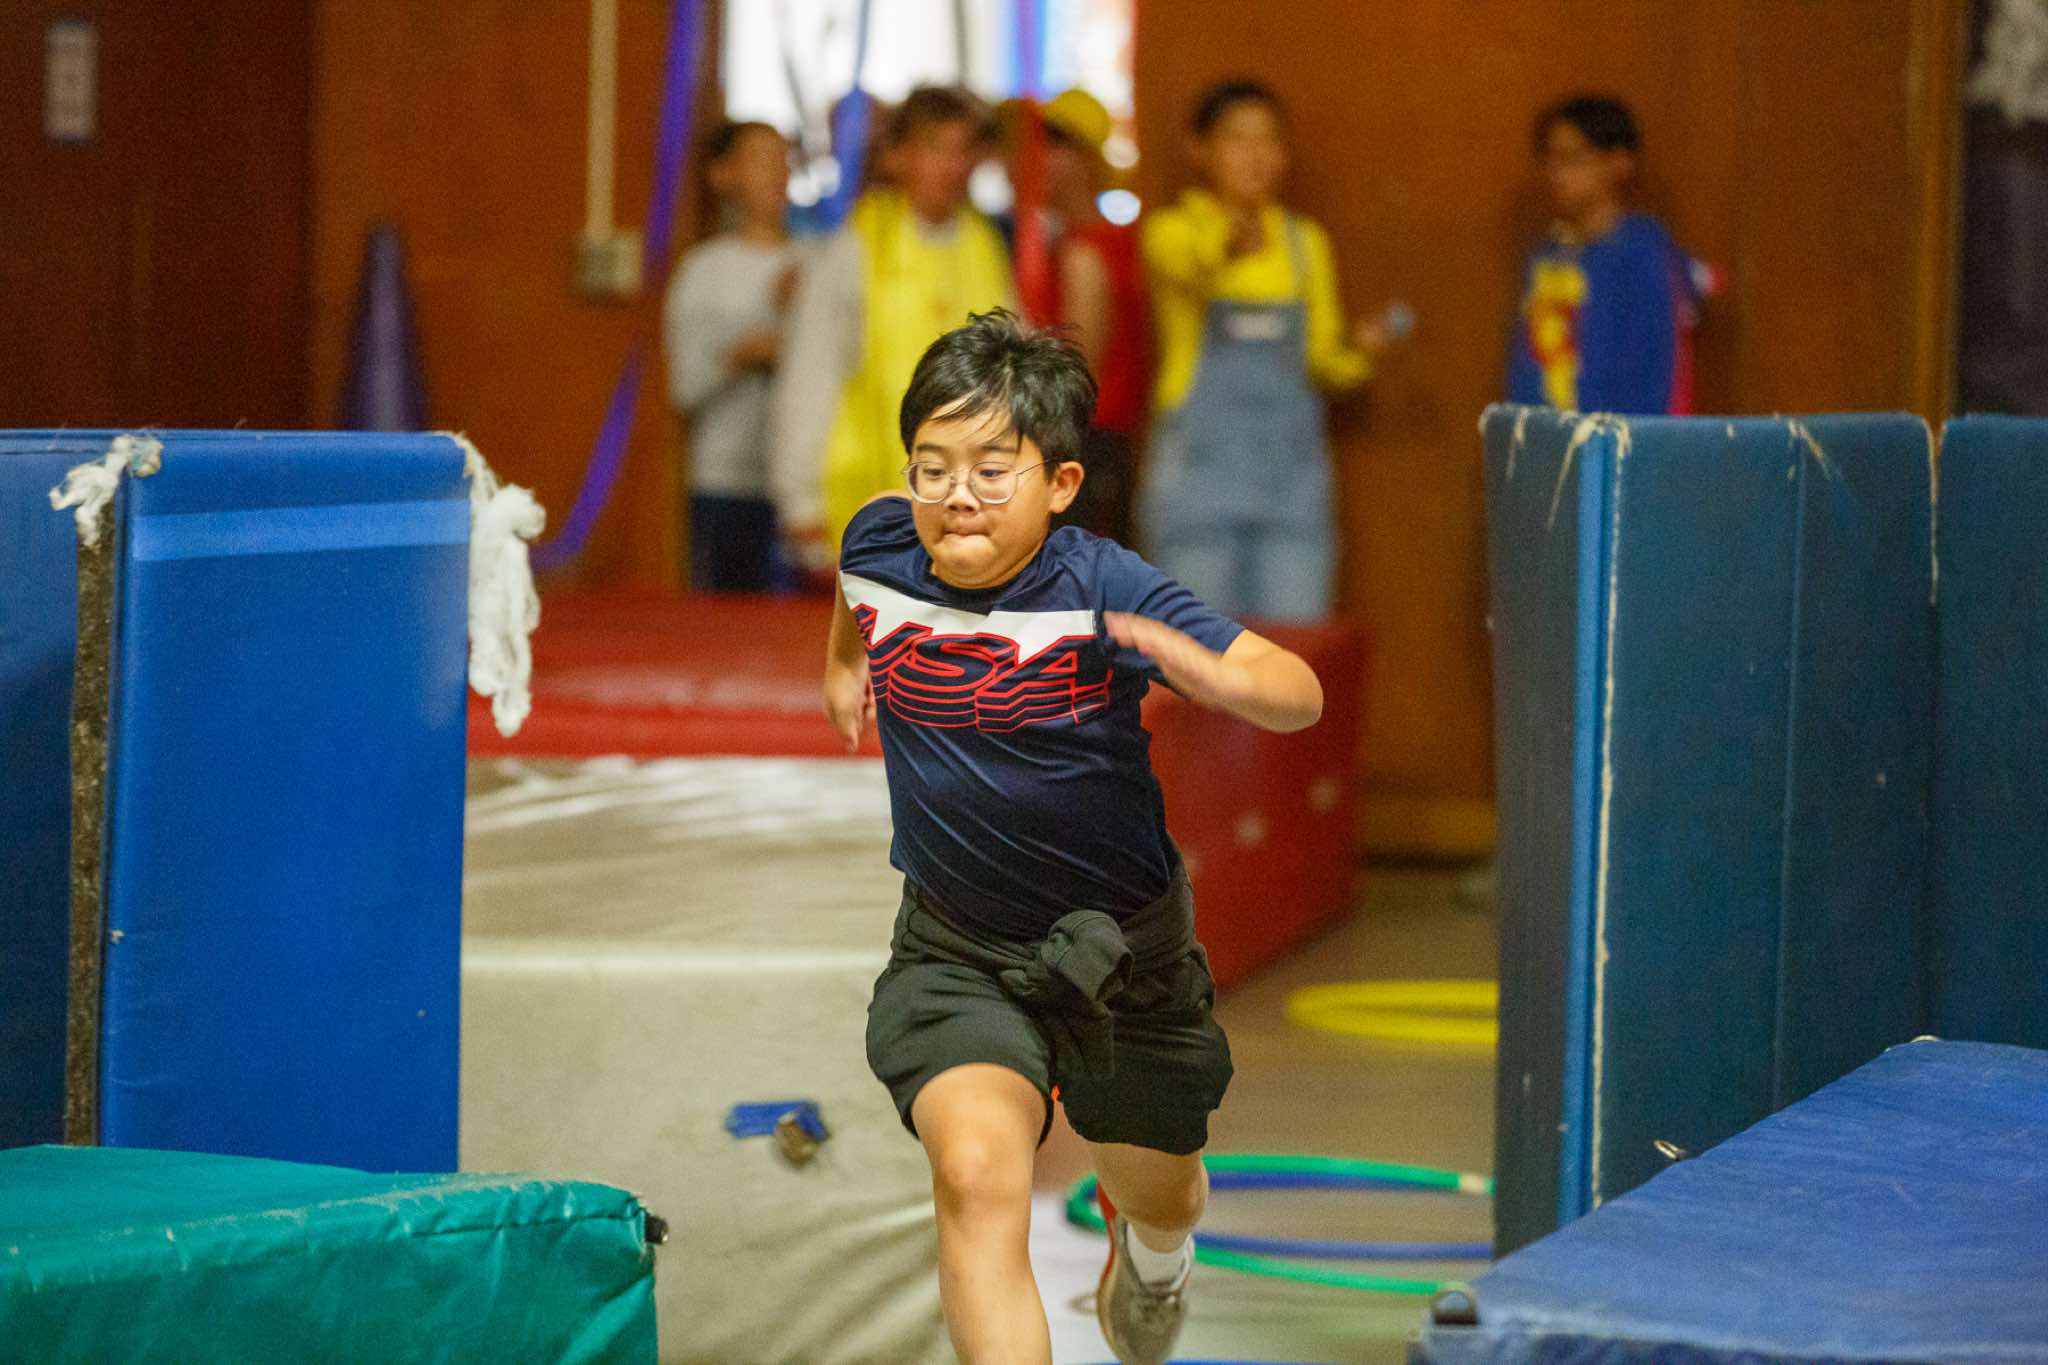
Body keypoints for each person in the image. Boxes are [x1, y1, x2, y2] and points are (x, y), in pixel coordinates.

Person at [823, 309, 1324, 1365]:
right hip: (958, 949)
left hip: (1121, 955)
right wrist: (842, 665)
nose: (956, 495)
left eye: (991, 471)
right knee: (974, 1175)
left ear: (1058, 484)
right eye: (932, 468)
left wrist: (1212, 673)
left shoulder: (1103, 586)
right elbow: (857, 568)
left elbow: (1296, 691)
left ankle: (1153, 1255)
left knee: (1160, 1190)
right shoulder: (880, 543)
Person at [1138, 78, 1390, 621]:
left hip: (1289, 489)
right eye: (1237, 138)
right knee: (1196, 651)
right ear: (1200, 150)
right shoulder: (1172, 231)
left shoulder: (1304, 244)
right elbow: (1191, 268)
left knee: (1290, 652)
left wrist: (1362, 352)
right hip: (1198, 488)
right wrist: (1228, 241)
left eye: (1269, 140)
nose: (1256, 155)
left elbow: (1323, 364)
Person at [772, 86, 1014, 579]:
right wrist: (800, 501)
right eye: (935, 147)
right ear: (896, 157)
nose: (952, 166)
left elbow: (1012, 384)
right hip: (871, 499)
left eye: (964, 149)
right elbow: (811, 374)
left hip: (969, 513)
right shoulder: (855, 248)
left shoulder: (983, 247)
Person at [663, 120, 801, 591]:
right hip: (723, 482)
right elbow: (683, 387)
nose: (777, 172)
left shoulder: (817, 262)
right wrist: (744, 355)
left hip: (797, 483)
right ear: (723, 174)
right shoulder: (704, 269)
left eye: (784, 158)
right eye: (761, 158)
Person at [1508, 95, 1702, 415]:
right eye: (1550, 159)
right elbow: (1528, 363)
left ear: (1619, 162)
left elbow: (1655, 374)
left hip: (1615, 436)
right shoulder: (1546, 257)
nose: (1557, 173)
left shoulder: (1643, 255)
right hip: (1543, 435)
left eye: (1572, 158)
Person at [1030, 88, 1149, 544]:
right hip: (1103, 447)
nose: (1035, 162)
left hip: (1084, 447)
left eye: (1051, 146)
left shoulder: (1084, 250)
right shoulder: (1099, 241)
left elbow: (1079, 367)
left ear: (1080, 159)